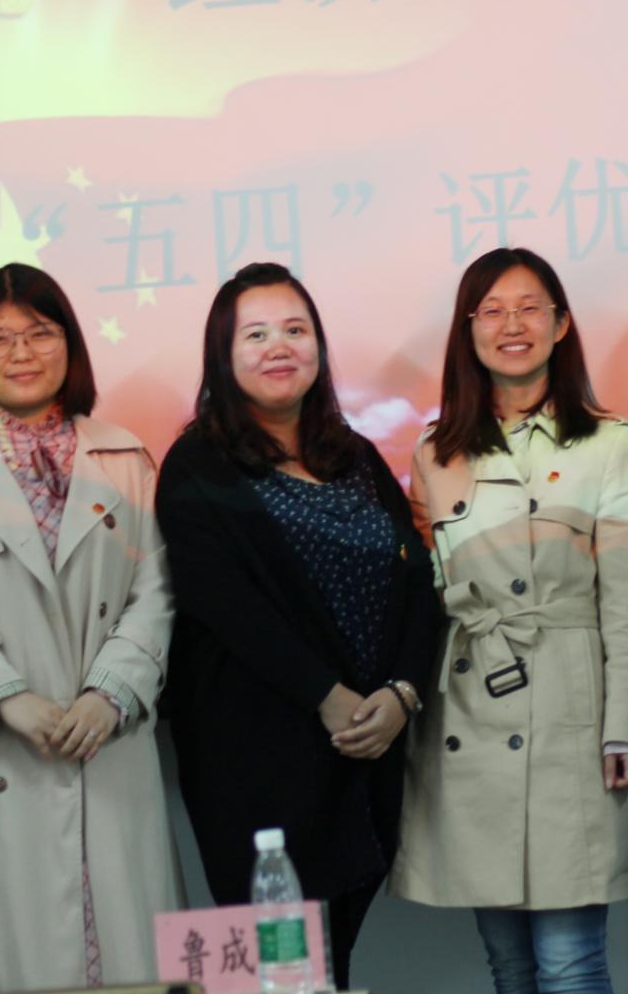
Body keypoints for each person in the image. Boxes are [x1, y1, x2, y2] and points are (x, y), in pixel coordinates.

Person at [0, 264, 178, 993]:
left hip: (102, 740)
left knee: (124, 958)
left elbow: (157, 589)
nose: (21, 353)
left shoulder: (125, 458)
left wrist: (109, 693)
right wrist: (7, 698)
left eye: (40, 333)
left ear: (70, 345)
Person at [159, 262, 441, 991]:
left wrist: (404, 692)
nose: (279, 347)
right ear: (223, 354)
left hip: (364, 753)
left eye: (295, 329)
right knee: (263, 969)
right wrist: (327, 695)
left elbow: (419, 584)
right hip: (254, 767)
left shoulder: (354, 454)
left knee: (333, 966)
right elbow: (224, 603)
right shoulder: (196, 464)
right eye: (255, 335)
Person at [391, 247, 628, 994]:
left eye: (530, 307)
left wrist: (627, 726)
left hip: (571, 714)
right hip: (471, 710)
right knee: (508, 965)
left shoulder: (607, 442)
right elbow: (427, 591)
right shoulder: (434, 452)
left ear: (561, 324)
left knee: (571, 962)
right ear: (468, 330)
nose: (513, 325)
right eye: (493, 311)